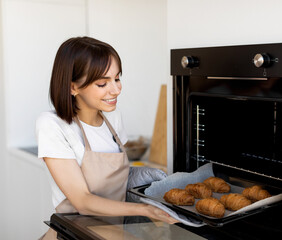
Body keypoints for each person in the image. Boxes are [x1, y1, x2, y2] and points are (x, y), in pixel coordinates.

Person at [36, 36, 178, 234]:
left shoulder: (114, 118)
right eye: (102, 84)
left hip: (116, 228)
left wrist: (142, 176)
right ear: (73, 87)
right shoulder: (53, 125)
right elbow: (83, 201)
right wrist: (145, 209)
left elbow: (113, 179)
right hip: (76, 231)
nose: (116, 89)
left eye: (117, 78)